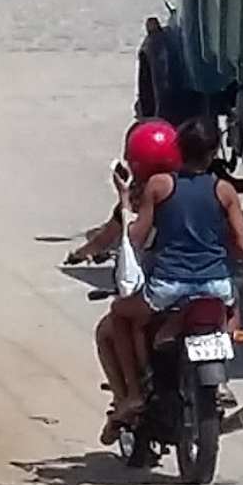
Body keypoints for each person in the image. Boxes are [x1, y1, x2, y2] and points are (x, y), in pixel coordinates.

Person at [104, 116, 243, 432]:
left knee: (118, 313)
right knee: (232, 306)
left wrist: (127, 204)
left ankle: (132, 394)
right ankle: (222, 378)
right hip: (215, 286)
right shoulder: (224, 190)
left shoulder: (160, 186)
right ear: (213, 153)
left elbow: (139, 236)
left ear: (178, 152)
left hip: (168, 288)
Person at [65, 119, 180, 441]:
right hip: (194, 288)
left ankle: (128, 396)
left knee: (109, 328)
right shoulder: (188, 188)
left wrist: (80, 253)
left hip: (156, 293)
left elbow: (114, 236)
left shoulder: (139, 197)